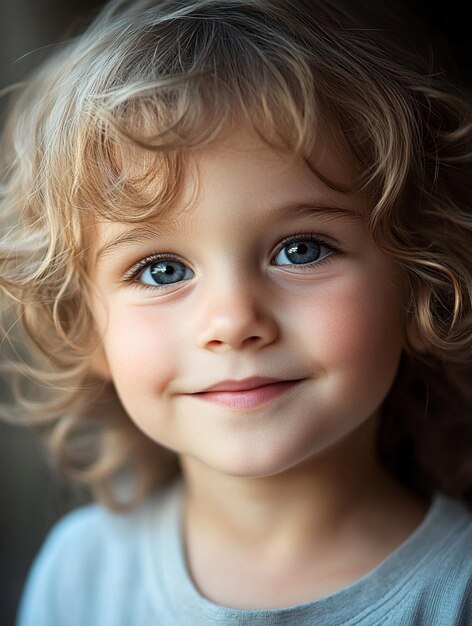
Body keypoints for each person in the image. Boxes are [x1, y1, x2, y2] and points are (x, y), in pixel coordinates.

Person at [0, 0, 471, 624]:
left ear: (417, 284)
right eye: (161, 270)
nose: (232, 320)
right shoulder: (82, 574)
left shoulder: (456, 593)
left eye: (300, 250)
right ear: (84, 327)